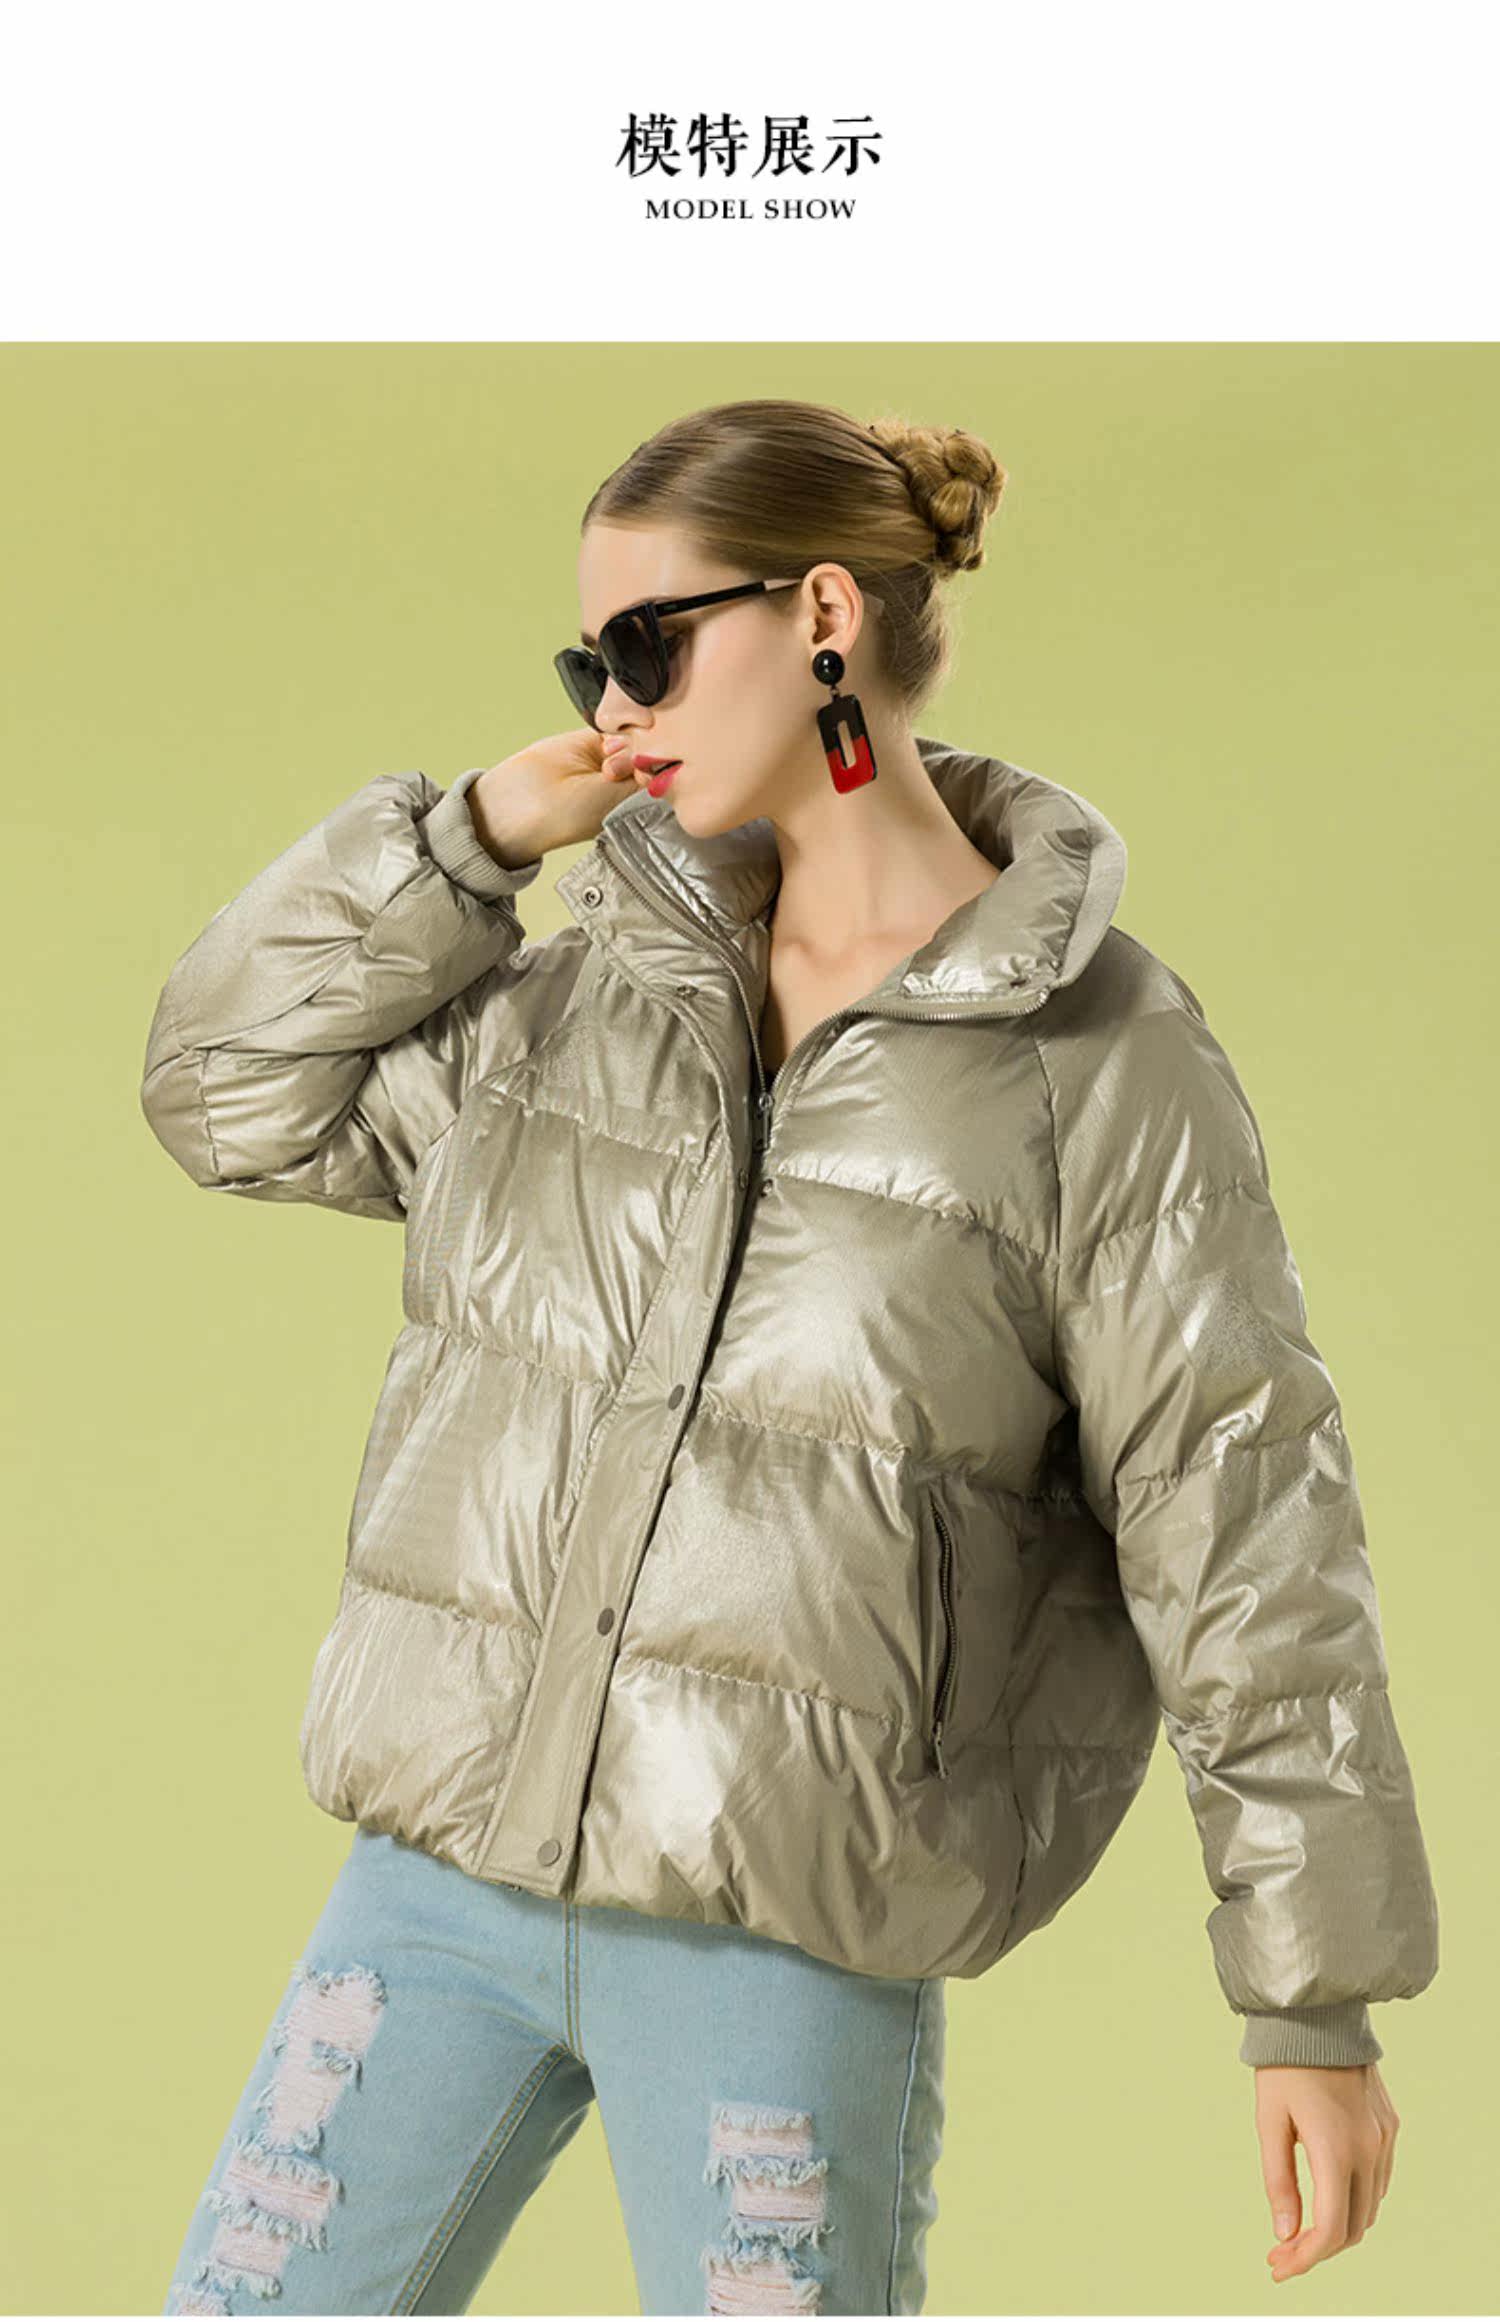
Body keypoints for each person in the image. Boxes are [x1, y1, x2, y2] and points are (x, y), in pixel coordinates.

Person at [142, 397, 1438, 2317]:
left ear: (822, 614)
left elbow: (1245, 1524)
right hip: (436, 1887)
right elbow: (220, 1087)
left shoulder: (1099, 1070)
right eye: (589, 662)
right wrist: (470, 838)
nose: (615, 705)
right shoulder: (575, 1008)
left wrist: (1309, 2002)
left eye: (646, 644)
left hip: (787, 1931)